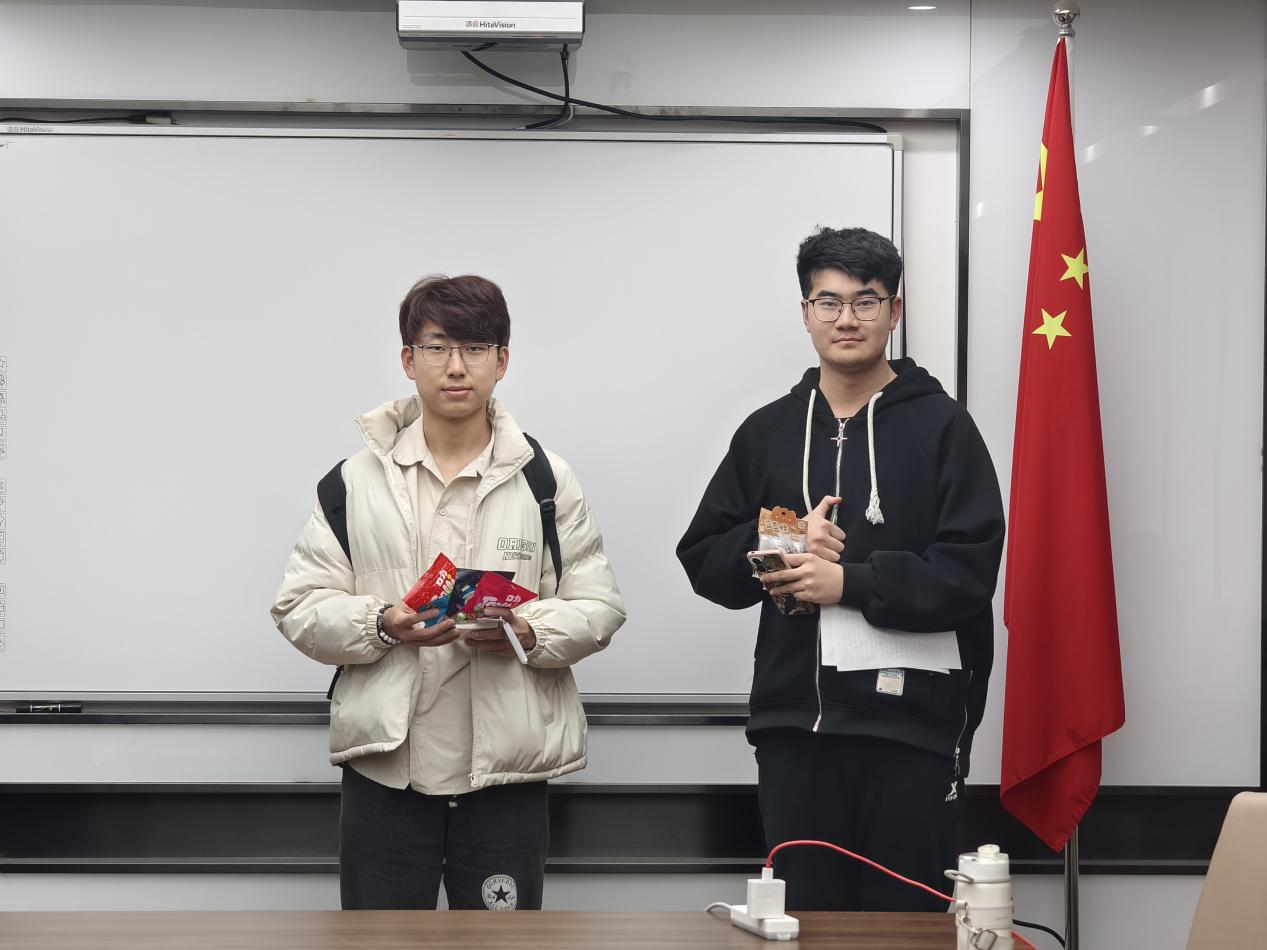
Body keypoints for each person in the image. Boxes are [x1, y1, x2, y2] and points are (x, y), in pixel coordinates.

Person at [272, 274, 625, 911]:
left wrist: (529, 631)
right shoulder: (353, 483)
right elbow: (299, 606)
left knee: (501, 946)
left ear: (502, 360)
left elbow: (599, 606)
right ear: (409, 360)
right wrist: (381, 623)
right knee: (380, 945)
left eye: (475, 347)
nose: (455, 366)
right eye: (436, 347)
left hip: (506, 775)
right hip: (386, 773)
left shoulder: (546, 480)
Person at [676, 227, 1004, 912]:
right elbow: (704, 558)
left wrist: (849, 583)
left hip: (912, 733)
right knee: (805, 925)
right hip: (794, 733)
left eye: (865, 301)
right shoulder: (766, 431)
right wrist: (785, 539)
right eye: (828, 302)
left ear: (894, 310)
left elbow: (969, 572)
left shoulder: (945, 428)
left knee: (906, 928)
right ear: (805, 312)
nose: (846, 319)